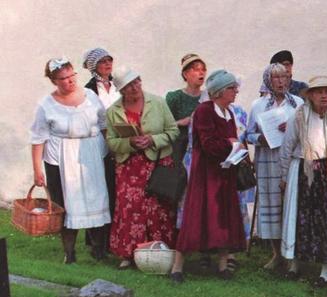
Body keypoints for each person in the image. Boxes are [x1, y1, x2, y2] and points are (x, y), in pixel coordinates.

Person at [278, 76, 327, 286]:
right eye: (319, 91)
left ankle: (325, 268)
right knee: (300, 218)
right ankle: (295, 264)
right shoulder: (299, 116)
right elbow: (287, 148)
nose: (324, 95)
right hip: (305, 171)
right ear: (311, 96)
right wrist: (284, 176)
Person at [29, 58, 111, 264]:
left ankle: (98, 249)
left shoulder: (91, 96)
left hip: (92, 152)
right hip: (61, 157)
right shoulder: (46, 105)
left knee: (97, 198)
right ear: (54, 81)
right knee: (64, 204)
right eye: (63, 79)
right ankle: (70, 252)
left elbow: (103, 123)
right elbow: (38, 138)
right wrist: (37, 169)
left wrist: (112, 149)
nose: (69, 81)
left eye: (71, 76)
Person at [172, 69, 247, 282]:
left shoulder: (229, 113)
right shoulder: (204, 111)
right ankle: (177, 267)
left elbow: (228, 140)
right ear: (219, 92)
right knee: (195, 218)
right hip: (205, 175)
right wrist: (231, 144)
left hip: (224, 173)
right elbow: (207, 143)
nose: (236, 91)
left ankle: (223, 265)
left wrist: (235, 150)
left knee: (224, 219)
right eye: (232, 88)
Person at [104, 68, 180, 269]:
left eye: (137, 82)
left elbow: (173, 131)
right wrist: (130, 142)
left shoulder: (158, 102)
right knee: (130, 208)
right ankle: (128, 254)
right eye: (129, 86)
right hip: (129, 167)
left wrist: (153, 139)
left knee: (158, 207)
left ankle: (161, 249)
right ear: (121, 91)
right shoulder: (113, 111)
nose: (135, 87)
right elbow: (111, 142)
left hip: (157, 163)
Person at [245, 63, 304, 271]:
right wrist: (260, 137)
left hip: (290, 159)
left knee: (289, 205)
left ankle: (293, 258)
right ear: (269, 80)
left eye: (285, 77)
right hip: (266, 161)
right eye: (277, 78)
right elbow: (248, 134)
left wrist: (292, 129)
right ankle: (276, 254)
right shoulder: (258, 105)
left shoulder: (297, 103)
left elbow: (305, 131)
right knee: (270, 205)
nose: (281, 81)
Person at [81, 47, 118, 260]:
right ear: (95, 66)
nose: (107, 64)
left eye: (109, 60)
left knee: (114, 191)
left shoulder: (117, 85)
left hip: (120, 141)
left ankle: (113, 239)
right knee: (99, 190)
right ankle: (96, 240)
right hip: (99, 144)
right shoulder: (89, 90)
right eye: (103, 61)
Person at [165, 54, 206, 134]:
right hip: (180, 144)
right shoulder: (174, 98)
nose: (201, 73)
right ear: (185, 74)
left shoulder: (208, 97)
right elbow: (163, 127)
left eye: (204, 70)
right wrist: (180, 122)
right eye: (196, 70)